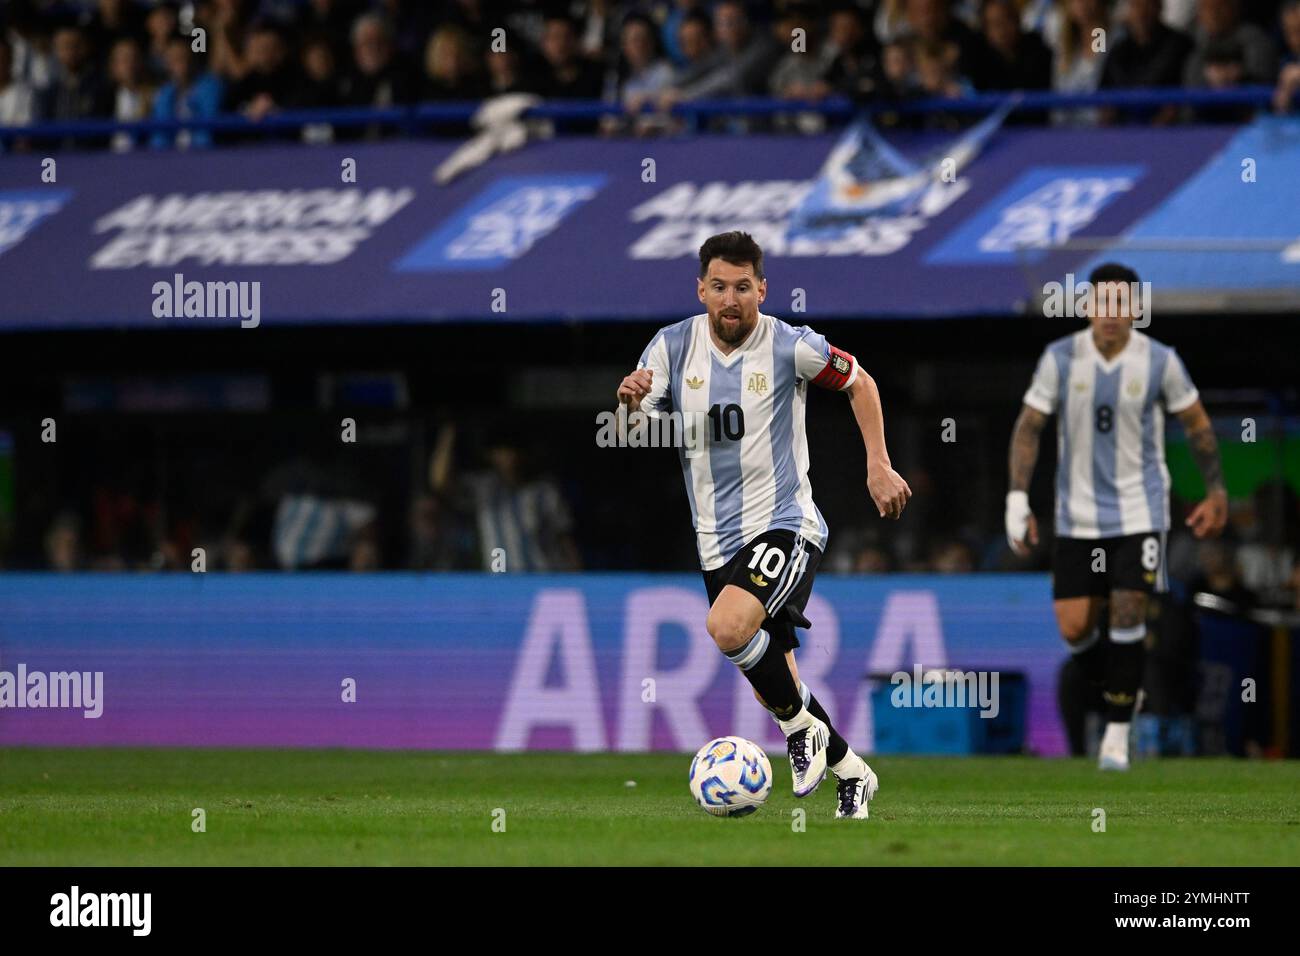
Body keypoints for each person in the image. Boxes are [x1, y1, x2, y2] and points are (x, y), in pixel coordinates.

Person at [616, 231, 911, 819]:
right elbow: (639, 416)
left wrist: (877, 463)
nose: (732, 299)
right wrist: (629, 400)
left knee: (727, 626)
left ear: (762, 289)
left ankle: (802, 733)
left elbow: (861, 382)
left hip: (785, 522)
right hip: (714, 542)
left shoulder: (790, 345)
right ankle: (851, 771)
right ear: (701, 290)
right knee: (772, 678)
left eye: (743, 288)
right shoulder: (671, 347)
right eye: (720, 287)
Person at [1006, 263, 1228, 771]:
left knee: (1128, 611)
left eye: (1121, 304)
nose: (1110, 314)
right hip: (1077, 518)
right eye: (1101, 303)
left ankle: (1117, 734)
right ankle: (1120, 688)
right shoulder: (1061, 359)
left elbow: (1197, 425)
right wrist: (1016, 499)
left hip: (1139, 511)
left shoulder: (1160, 362)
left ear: (1135, 308)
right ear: (1087, 307)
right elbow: (1028, 427)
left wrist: (1216, 490)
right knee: (1075, 626)